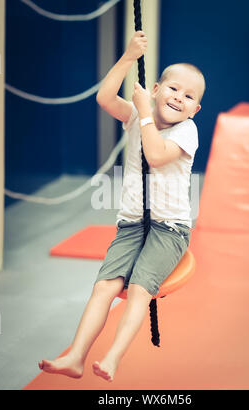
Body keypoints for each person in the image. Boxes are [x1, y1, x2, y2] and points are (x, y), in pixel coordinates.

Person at [38, 31, 205, 382]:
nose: (179, 98)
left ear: (195, 109)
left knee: (140, 290)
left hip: (169, 229)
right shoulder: (134, 116)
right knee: (105, 286)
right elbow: (104, 97)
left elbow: (156, 155)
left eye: (189, 96)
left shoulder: (187, 131)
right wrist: (129, 56)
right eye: (173, 88)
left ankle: (112, 358)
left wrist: (144, 113)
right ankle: (76, 357)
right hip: (132, 224)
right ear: (156, 89)